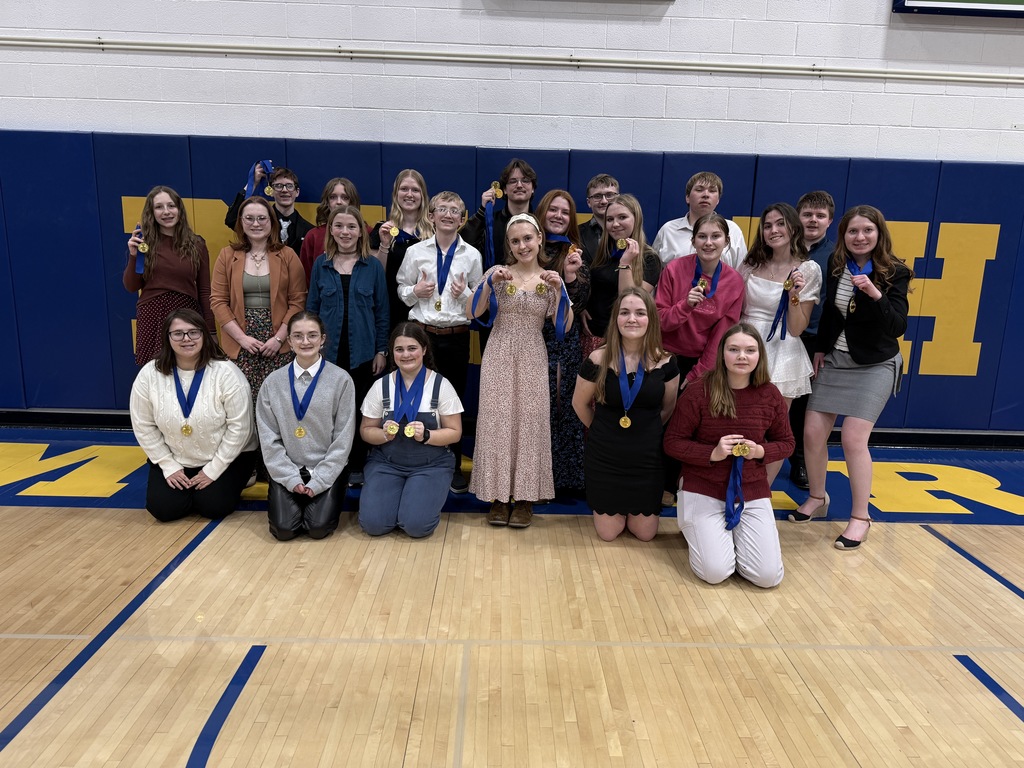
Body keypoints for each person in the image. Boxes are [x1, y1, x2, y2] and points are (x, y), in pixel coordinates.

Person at [790, 206, 913, 551]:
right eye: (853, 231)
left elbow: (897, 326)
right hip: (836, 358)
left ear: (879, 234)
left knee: (853, 440)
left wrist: (875, 295)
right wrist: (821, 349)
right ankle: (818, 496)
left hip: (876, 363)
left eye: (867, 231)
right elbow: (831, 311)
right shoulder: (837, 265)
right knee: (812, 432)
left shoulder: (895, 272)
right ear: (843, 236)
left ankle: (861, 517)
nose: (860, 237)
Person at [664, 323, 793, 587]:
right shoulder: (699, 391)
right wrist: (712, 453)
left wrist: (760, 451)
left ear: (760, 356)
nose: (742, 356)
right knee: (715, 573)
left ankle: (734, 541)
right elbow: (672, 442)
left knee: (768, 577)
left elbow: (787, 442)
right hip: (704, 486)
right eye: (734, 349)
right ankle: (698, 529)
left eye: (750, 350)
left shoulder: (770, 394)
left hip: (751, 490)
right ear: (722, 353)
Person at [467, 213, 571, 528]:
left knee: (529, 425)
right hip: (498, 352)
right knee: (498, 423)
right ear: (509, 245)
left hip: (532, 354)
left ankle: (525, 499)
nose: (522, 245)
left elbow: (563, 328)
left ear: (539, 239)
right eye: (515, 241)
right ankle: (498, 498)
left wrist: (562, 290)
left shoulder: (551, 278)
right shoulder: (498, 273)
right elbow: (473, 312)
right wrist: (487, 282)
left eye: (527, 238)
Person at [130, 308, 257, 522]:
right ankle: (189, 488)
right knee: (163, 510)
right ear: (167, 338)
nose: (186, 339)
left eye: (193, 332)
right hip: (176, 458)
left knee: (213, 506)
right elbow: (143, 425)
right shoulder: (150, 374)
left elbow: (241, 428)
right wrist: (167, 465)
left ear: (204, 335)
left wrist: (213, 470)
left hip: (226, 458)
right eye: (178, 333)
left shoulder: (227, 373)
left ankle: (223, 483)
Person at [654, 212, 745, 506]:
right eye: (702, 237)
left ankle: (678, 484)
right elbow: (659, 321)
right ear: (692, 241)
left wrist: (696, 377)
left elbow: (721, 337)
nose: (708, 242)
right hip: (665, 356)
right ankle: (654, 481)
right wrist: (684, 306)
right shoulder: (674, 270)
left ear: (726, 242)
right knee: (660, 421)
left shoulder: (733, 282)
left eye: (715, 237)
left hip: (701, 364)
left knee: (688, 426)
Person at [573, 287, 678, 541]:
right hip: (605, 457)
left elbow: (667, 409)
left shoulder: (666, 361)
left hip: (647, 459)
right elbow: (580, 405)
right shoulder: (597, 359)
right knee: (609, 534)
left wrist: (644, 430)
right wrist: (602, 429)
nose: (632, 319)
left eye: (640, 313)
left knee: (645, 535)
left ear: (651, 319)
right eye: (625, 312)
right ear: (616, 319)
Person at [397, 191, 482, 494]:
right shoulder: (415, 251)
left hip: (456, 337)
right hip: (422, 336)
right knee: (419, 400)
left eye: (455, 210)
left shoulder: (472, 255)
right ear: (430, 215)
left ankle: (454, 465)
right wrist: (414, 292)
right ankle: (419, 461)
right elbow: (401, 287)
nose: (448, 214)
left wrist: (465, 296)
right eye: (441, 209)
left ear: (462, 219)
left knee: (452, 403)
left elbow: (479, 303)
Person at [738, 202, 821, 487]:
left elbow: (797, 327)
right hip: (744, 348)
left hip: (782, 352)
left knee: (773, 429)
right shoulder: (750, 265)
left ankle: (760, 491)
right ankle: (733, 484)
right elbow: (736, 311)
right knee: (739, 423)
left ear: (792, 227)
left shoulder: (808, 270)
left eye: (779, 224)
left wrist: (795, 296)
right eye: (767, 225)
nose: (773, 230)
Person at [255, 311, 356, 541]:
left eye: (312, 335)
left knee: (317, 528)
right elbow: (269, 439)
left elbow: (343, 438)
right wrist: (290, 478)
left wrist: (321, 479)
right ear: (289, 341)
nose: (305, 342)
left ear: (322, 339)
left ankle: (327, 492)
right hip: (287, 468)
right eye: (298, 336)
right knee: (284, 530)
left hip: (327, 467)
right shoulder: (273, 383)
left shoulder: (341, 380)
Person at [307, 204, 389, 486]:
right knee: (328, 411)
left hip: (363, 354)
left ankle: (356, 463)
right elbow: (312, 310)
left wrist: (381, 350)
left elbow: (382, 311)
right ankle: (330, 464)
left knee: (358, 410)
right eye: (339, 226)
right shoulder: (321, 264)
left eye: (351, 226)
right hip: (328, 354)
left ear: (361, 231)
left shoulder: (373, 266)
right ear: (331, 229)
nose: (345, 232)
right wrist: (311, 349)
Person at [358, 323, 464, 538]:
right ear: (392, 353)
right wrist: (383, 434)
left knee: (416, 527)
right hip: (387, 464)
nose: (406, 354)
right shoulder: (381, 386)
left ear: (424, 350)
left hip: (431, 465)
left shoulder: (441, 385)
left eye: (412, 348)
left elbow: (455, 432)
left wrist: (427, 435)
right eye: (399, 350)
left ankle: (411, 506)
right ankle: (397, 504)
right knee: (373, 526)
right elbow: (366, 430)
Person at [211, 195, 307, 423]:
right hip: (241, 343)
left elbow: (297, 301)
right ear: (241, 223)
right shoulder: (227, 256)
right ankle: (247, 458)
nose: (256, 224)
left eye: (262, 218)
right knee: (242, 409)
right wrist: (242, 339)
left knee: (279, 409)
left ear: (271, 222)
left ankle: (274, 457)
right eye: (250, 218)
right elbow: (218, 301)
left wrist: (279, 339)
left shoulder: (287, 256)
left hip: (279, 344)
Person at [124, 186, 215, 365]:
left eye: (171, 206)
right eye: (159, 207)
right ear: (151, 212)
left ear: (179, 209)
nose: (166, 212)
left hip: (187, 315)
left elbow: (204, 291)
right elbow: (131, 286)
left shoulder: (197, 245)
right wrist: (134, 256)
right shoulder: (143, 244)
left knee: (188, 370)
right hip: (153, 316)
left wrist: (211, 332)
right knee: (156, 376)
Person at [535, 189, 589, 494]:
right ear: (542, 213)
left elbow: (579, 304)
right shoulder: (528, 247)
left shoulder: (575, 253)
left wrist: (569, 277)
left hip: (562, 343)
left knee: (563, 407)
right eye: (553, 209)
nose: (558, 215)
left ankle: (564, 479)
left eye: (564, 212)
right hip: (530, 339)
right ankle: (536, 475)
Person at [788, 191, 836, 489]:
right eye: (807, 214)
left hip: (813, 340)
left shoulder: (835, 255)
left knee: (805, 405)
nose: (813, 220)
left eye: (820, 216)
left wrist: (822, 346)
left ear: (830, 221)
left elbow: (834, 306)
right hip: (781, 338)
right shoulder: (782, 249)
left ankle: (801, 461)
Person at [582, 193, 661, 355]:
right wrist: (582, 308)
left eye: (622, 217)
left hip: (621, 340)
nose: (615, 224)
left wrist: (625, 264)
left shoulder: (649, 259)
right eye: (610, 219)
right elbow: (595, 287)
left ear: (636, 219)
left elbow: (629, 299)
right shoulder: (604, 252)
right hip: (592, 335)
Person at [370, 170, 432, 330]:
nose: (409, 194)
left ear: (423, 195)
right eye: (404, 189)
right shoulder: (382, 229)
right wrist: (384, 245)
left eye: (415, 190)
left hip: (425, 310)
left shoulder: (434, 233)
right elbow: (374, 275)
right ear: (396, 193)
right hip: (390, 308)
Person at [653, 171, 748, 269]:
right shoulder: (668, 230)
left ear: (718, 200)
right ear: (687, 198)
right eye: (699, 190)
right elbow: (655, 274)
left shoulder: (732, 230)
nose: (706, 195)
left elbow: (741, 274)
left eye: (712, 191)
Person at [460, 158, 536, 272]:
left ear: (533, 188)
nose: (519, 185)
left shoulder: (540, 223)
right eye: (513, 181)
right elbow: (463, 244)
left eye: (525, 180)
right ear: (504, 189)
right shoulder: (490, 222)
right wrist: (482, 212)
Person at [225, 165, 313, 253]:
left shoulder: (309, 230)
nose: (284, 190)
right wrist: (252, 183)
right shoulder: (259, 223)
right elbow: (231, 220)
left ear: (297, 192)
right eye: (278, 186)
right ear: (271, 191)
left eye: (289, 186)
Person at [298, 177, 361, 284]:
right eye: (333, 197)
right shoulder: (313, 236)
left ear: (352, 202)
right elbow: (306, 278)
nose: (339, 202)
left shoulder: (366, 232)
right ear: (327, 202)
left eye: (345, 197)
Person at [579, 173, 619, 265]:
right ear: (589, 202)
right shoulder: (576, 234)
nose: (604, 201)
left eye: (609, 195)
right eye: (597, 196)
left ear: (618, 198)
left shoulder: (630, 231)